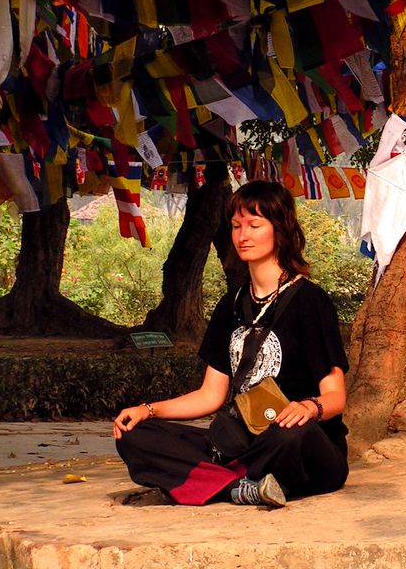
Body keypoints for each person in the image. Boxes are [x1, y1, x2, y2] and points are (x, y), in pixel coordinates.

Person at [113, 180, 350, 507]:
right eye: (237, 226)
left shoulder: (310, 301)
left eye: (254, 225)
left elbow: (336, 396)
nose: (243, 236)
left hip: (299, 444)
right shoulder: (231, 305)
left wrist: (309, 407)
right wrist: (148, 410)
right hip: (243, 442)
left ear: (280, 229)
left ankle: (214, 482)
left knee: (291, 432)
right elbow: (210, 395)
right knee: (134, 434)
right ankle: (242, 486)